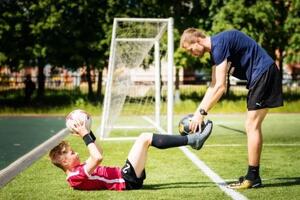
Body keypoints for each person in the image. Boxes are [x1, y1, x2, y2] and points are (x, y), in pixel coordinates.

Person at [180, 28, 283, 189]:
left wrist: (202, 113)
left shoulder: (219, 44)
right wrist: (197, 113)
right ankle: (253, 176)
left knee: (251, 125)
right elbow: (213, 84)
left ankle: (253, 177)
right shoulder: (216, 51)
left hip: (264, 73)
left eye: (190, 49)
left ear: (198, 40)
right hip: (261, 75)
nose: (191, 53)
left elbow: (221, 87)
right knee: (251, 125)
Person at [49, 118, 213, 191]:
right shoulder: (74, 177)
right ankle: (193, 140)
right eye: (71, 153)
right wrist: (85, 136)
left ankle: (192, 140)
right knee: (144, 138)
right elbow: (97, 158)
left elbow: (99, 152)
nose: (76, 153)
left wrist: (89, 133)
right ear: (63, 161)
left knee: (145, 138)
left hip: (125, 176)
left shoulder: (78, 169)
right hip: (126, 180)